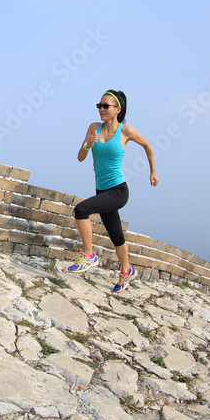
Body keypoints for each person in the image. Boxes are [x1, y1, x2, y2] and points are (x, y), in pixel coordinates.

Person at [67, 89, 157, 292]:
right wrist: (88, 145)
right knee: (116, 235)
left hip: (118, 191)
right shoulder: (93, 128)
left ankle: (88, 254)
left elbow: (148, 146)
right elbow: (80, 157)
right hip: (102, 191)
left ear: (118, 109)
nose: (101, 109)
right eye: (99, 105)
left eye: (105, 106)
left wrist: (153, 172)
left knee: (81, 210)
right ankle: (127, 271)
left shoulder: (126, 131)